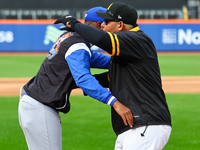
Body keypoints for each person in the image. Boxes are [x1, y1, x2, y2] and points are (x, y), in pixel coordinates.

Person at [55, 2, 172, 150]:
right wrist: (76, 83)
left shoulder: (136, 39)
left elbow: (101, 39)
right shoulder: (128, 48)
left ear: (120, 25)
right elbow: (112, 78)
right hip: (136, 127)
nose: (103, 25)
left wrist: (74, 24)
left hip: (145, 124)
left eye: (107, 22)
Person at [18, 6, 133, 150]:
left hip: (34, 104)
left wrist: (130, 64)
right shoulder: (78, 45)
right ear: (99, 25)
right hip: (40, 107)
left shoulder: (74, 39)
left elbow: (97, 59)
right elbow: (83, 79)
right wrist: (114, 102)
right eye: (107, 23)